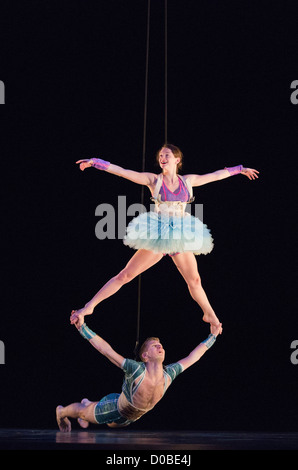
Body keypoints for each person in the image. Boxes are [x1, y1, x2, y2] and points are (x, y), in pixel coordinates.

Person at [71, 144, 259, 332]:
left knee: (194, 281)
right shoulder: (154, 180)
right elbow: (123, 172)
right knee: (126, 275)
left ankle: (210, 314)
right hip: (158, 235)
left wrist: (240, 170)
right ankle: (89, 307)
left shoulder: (187, 181)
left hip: (180, 235)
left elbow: (215, 176)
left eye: (167, 155)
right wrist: (96, 163)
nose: (162, 158)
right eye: (161, 155)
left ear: (177, 160)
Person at [56, 314, 222, 431]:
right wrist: (82, 327)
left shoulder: (169, 373)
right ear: (145, 356)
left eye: (160, 345)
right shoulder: (136, 370)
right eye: (153, 346)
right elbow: (107, 351)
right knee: (85, 413)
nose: (159, 346)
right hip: (114, 408)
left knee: (110, 425)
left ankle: (88, 405)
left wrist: (213, 335)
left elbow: (194, 356)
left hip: (130, 418)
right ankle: (62, 412)